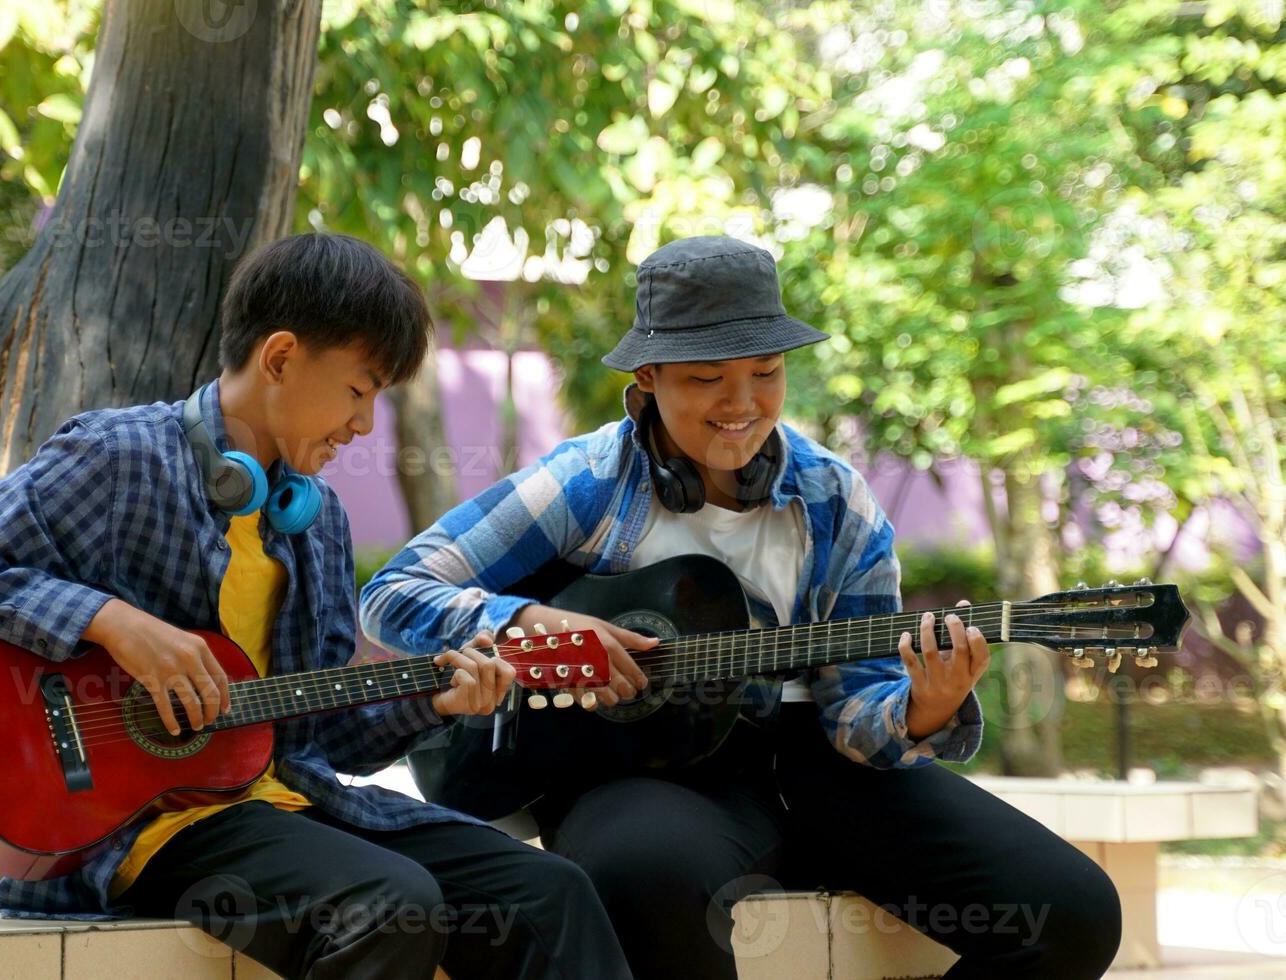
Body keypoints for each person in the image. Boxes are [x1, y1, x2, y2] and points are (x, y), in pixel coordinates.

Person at [360, 236, 1123, 978]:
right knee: (641, 874)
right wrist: (527, 622)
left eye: (766, 372)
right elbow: (393, 595)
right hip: (645, 776)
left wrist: (923, 708)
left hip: (822, 768)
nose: (742, 403)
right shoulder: (587, 483)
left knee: (1074, 914)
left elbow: (853, 705)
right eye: (706, 379)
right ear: (649, 377)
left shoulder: (833, 498)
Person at [0, 233, 631, 980]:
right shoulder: (119, 459)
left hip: (285, 806)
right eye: (359, 390)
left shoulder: (317, 522)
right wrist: (114, 622)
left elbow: (321, 738)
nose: (365, 424)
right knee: (390, 901)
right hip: (130, 831)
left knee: (551, 893)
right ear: (279, 358)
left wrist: (436, 700)